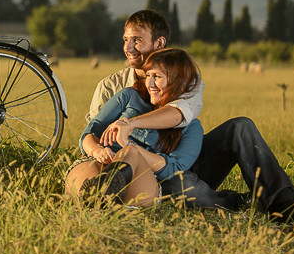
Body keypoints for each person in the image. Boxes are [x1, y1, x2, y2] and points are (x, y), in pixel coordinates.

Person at [84, 9, 294, 223]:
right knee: (178, 184)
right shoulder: (110, 87)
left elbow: (178, 114)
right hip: (138, 170)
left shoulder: (187, 81)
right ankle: (230, 200)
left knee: (241, 127)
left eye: (137, 40)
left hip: (180, 159)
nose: (129, 47)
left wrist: (129, 123)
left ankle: (285, 206)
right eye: (126, 39)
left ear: (159, 42)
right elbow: (95, 134)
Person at [65, 48, 204, 207]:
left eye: (157, 77)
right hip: (100, 163)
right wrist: (97, 150)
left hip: (142, 178)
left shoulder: (192, 126)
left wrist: (128, 146)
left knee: (131, 152)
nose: (149, 84)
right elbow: (89, 133)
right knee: (92, 181)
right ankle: (100, 196)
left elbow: (172, 168)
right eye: (148, 76)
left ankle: (102, 197)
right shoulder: (129, 96)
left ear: (178, 81)